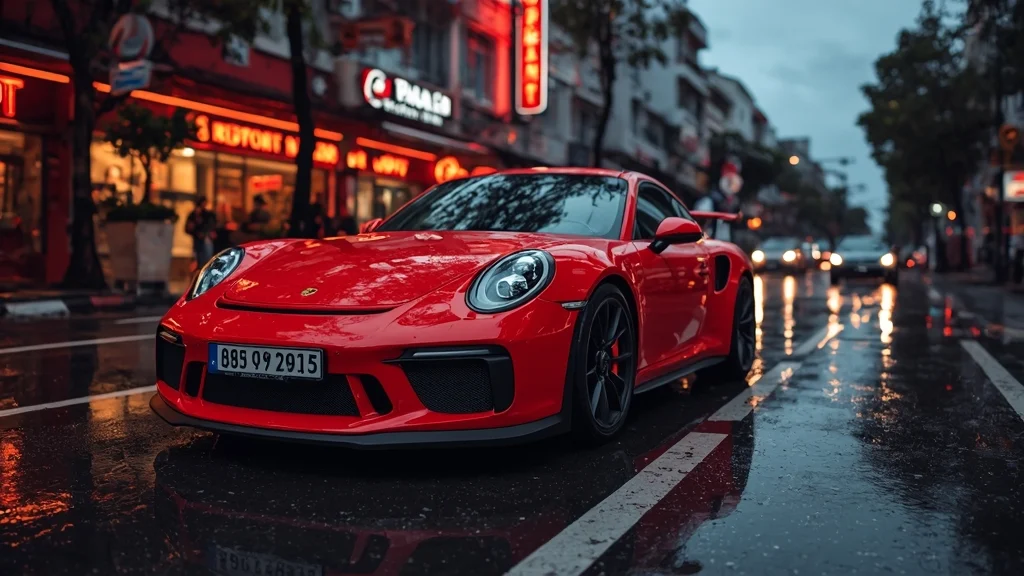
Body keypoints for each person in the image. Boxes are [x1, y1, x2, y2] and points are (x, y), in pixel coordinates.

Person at [184, 195, 216, 268]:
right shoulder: (193, 215)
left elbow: (211, 226)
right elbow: (188, 228)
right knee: (199, 261)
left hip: (206, 239)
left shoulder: (208, 214)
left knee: (206, 260)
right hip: (198, 241)